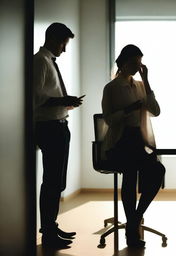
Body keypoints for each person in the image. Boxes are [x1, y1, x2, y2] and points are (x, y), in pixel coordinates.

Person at [101, 44, 165, 248]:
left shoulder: (139, 85)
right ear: (123, 63)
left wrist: (146, 81)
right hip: (121, 141)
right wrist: (129, 110)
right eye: (133, 63)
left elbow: (156, 111)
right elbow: (109, 120)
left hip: (140, 139)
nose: (137, 67)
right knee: (130, 174)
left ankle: (134, 219)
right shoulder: (111, 87)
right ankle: (132, 230)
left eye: (140, 63)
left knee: (157, 171)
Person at [34, 22, 84, 249]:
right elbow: (35, 99)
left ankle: (51, 227)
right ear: (54, 39)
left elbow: (47, 97)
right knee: (52, 183)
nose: (64, 49)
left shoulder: (48, 62)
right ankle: (48, 233)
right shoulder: (40, 62)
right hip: (50, 128)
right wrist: (63, 101)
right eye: (64, 44)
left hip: (59, 125)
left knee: (57, 182)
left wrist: (66, 104)